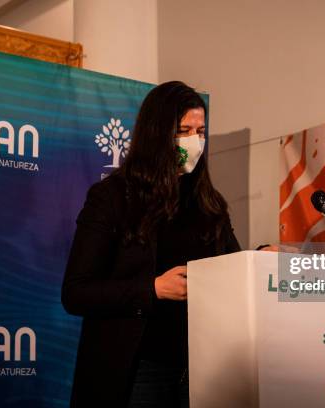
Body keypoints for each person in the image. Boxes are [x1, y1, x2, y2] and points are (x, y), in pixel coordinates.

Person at [62, 81, 242, 407]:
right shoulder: (113, 198)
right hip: (138, 369)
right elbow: (76, 292)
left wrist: (259, 258)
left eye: (201, 131)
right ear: (156, 134)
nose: (195, 141)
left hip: (203, 366)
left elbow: (231, 267)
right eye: (183, 130)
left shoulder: (209, 203)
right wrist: (154, 289)